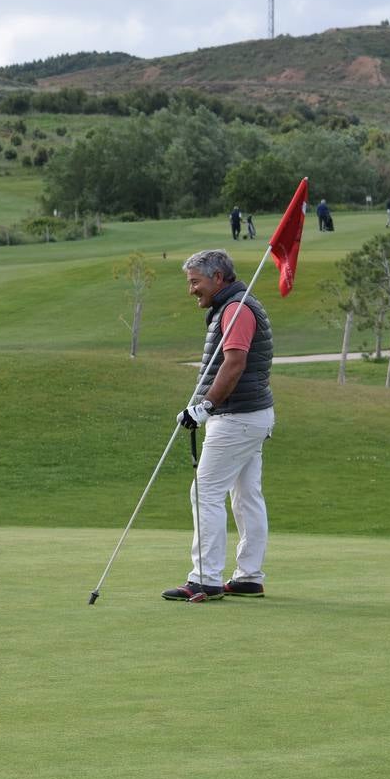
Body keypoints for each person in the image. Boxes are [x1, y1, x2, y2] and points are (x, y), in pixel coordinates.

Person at [163, 250, 275, 602]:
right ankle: (248, 577)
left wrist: (205, 407)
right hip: (251, 415)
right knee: (245, 496)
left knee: (206, 493)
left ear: (218, 278)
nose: (192, 290)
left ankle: (205, 579)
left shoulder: (236, 309)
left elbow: (235, 363)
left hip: (236, 418)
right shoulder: (235, 306)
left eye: (196, 282)